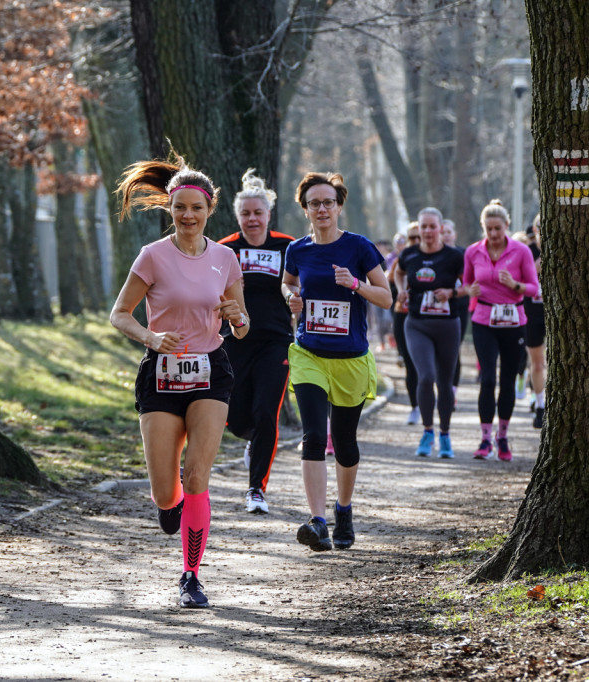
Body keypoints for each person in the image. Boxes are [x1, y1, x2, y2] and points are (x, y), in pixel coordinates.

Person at [109, 154, 248, 608]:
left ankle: (191, 575)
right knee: (166, 489)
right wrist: (151, 336)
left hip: (211, 372)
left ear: (210, 211)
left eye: (197, 208)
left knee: (197, 476)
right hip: (161, 377)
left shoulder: (226, 259)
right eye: (180, 208)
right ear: (170, 208)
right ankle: (169, 506)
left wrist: (238, 317)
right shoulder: (153, 256)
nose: (188, 216)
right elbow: (119, 314)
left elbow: (241, 323)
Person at [282, 172, 392, 551]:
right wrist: (290, 297)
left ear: (339, 206)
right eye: (315, 203)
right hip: (309, 353)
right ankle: (318, 522)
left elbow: (386, 297)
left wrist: (356, 285)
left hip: (350, 359)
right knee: (313, 436)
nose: (323, 209)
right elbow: (289, 283)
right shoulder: (297, 249)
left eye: (329, 202)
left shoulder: (359, 248)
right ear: (306, 209)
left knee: (344, 442)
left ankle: (343, 508)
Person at [218, 170, 294, 514]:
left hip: (276, 341)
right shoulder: (224, 250)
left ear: (268, 215)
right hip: (233, 341)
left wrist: (298, 298)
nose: (252, 219)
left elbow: (300, 284)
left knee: (267, 413)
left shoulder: (288, 246)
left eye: (258, 213)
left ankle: (256, 489)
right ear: (238, 217)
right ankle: (253, 441)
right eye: (246, 214)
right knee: (231, 416)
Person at [463, 199, 539, 461]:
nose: (494, 234)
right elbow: (465, 282)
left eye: (498, 228)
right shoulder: (473, 251)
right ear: (483, 228)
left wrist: (515, 284)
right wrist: (468, 290)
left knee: (507, 379)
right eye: (489, 229)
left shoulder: (521, 252)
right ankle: (485, 439)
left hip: (513, 320)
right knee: (487, 379)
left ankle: (503, 437)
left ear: (507, 225)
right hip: (484, 319)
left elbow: (533, 287)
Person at [393, 208, 467, 458]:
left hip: (448, 324)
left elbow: (471, 285)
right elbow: (398, 272)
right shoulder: (410, 254)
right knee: (425, 376)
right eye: (422, 226)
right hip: (417, 323)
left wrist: (452, 293)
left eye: (431, 227)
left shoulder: (455, 256)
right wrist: (401, 290)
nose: (426, 231)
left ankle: (445, 435)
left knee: (445, 381)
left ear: (441, 229)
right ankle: (427, 432)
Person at [388, 222, 421, 425]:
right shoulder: (404, 258)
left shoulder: (438, 256)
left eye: (419, 237)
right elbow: (390, 280)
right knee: (410, 363)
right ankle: (415, 407)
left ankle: (429, 401)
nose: (416, 241)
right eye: (412, 238)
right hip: (403, 313)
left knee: (427, 366)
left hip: (428, 317)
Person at [522, 214, 546, 428]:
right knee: (537, 363)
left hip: (555, 314)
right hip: (532, 313)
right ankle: (540, 405)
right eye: (540, 226)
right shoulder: (528, 252)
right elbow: (521, 278)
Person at [442, 218, 470, 392]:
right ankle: (443, 386)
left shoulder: (463, 254)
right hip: (438, 306)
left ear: (455, 234)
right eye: (443, 232)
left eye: (448, 232)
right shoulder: (434, 254)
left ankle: (453, 389)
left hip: (459, 304)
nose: (445, 235)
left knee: (454, 348)